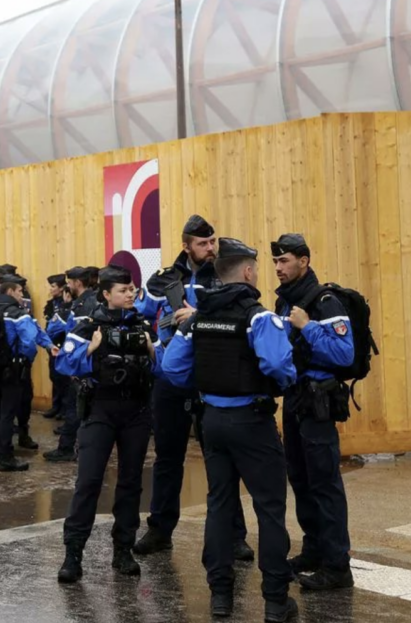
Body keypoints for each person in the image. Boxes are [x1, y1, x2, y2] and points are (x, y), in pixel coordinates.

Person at [162, 238, 298, 622]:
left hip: (212, 422)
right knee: (269, 509)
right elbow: (279, 366)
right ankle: (275, 601)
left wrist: (207, 384)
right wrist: (279, 383)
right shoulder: (259, 318)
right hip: (252, 422)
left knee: (219, 505)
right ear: (248, 272)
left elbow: (171, 367)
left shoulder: (198, 319)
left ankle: (220, 596)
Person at [134, 215, 252, 561]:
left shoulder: (223, 275)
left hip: (212, 376)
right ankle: (160, 530)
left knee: (221, 460)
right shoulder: (163, 280)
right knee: (168, 458)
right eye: (203, 243)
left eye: (213, 241)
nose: (210, 248)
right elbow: (141, 315)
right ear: (186, 246)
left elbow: (239, 314)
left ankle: (234, 535)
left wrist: (197, 315)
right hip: (171, 378)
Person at [56, 265, 157, 584]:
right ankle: (73, 554)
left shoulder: (143, 325)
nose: (130, 295)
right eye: (123, 290)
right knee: (88, 481)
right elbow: (64, 363)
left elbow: (165, 367)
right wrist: (91, 348)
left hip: (136, 411)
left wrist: (153, 350)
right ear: (106, 294)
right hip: (100, 409)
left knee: (131, 482)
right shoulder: (87, 325)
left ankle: (123, 549)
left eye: (132, 289)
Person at [272, 233, 355, 591]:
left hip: (318, 403)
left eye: (284, 261)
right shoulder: (284, 302)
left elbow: (344, 354)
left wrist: (307, 327)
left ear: (303, 261)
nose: (278, 267)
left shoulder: (325, 302)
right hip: (294, 399)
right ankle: (314, 549)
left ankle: (337, 566)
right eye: (275, 262)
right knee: (300, 479)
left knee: (324, 483)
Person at [0, 281, 55, 472]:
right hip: (12, 370)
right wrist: (26, 360)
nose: (21, 295)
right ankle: (5, 456)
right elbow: (30, 342)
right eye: (19, 291)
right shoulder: (19, 314)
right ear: (10, 291)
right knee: (8, 413)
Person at [45, 267, 99, 462]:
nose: (67, 286)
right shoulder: (88, 301)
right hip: (84, 362)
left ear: (78, 283)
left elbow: (77, 336)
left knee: (75, 407)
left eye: (69, 282)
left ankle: (67, 448)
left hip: (81, 364)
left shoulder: (84, 306)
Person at [43, 273, 69, 420]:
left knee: (63, 378)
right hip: (52, 343)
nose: (50, 289)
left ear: (61, 288)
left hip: (63, 343)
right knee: (54, 376)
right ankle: (56, 405)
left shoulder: (66, 304)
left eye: (53, 286)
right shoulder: (51, 304)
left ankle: (64, 408)